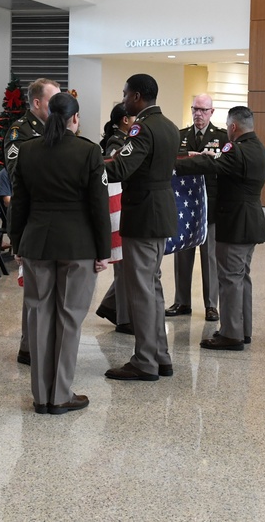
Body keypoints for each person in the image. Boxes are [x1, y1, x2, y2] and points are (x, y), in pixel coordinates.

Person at [10, 93, 111, 414]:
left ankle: (41, 396)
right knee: (69, 319)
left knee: (39, 317)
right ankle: (61, 394)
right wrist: (103, 251)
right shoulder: (89, 151)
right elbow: (99, 206)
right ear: (75, 119)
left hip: (37, 244)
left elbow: (19, 204)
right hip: (78, 246)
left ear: (47, 115)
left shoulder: (27, 150)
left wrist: (17, 245)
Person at [103, 73, 180, 382]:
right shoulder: (170, 126)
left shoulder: (142, 129)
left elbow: (121, 167)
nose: (123, 99)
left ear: (136, 97)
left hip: (143, 216)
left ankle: (145, 360)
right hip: (160, 214)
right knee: (154, 286)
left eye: (125, 94)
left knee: (141, 291)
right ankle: (160, 355)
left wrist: (92, 163)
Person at [174, 106, 265, 351]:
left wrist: (177, 164)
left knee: (229, 279)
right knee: (242, 278)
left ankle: (230, 334)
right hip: (252, 222)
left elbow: (209, 165)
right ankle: (243, 330)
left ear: (233, 127)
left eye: (228, 126)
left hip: (235, 223)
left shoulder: (234, 149)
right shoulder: (259, 148)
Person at [5, 78, 60, 365]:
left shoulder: (56, 129)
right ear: (37, 103)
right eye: (53, 101)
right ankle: (28, 347)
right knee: (34, 287)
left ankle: (39, 341)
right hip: (30, 215)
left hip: (51, 217)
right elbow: (18, 173)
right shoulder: (20, 131)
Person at [167, 94, 227, 322]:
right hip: (184, 207)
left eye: (203, 110)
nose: (198, 114)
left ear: (212, 112)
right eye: (195, 109)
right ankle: (182, 301)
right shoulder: (180, 136)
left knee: (210, 258)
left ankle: (212, 305)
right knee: (182, 256)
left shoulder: (221, 137)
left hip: (209, 208)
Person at [95, 102, 136, 333]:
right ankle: (123, 318)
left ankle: (112, 307)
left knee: (127, 266)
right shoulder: (116, 142)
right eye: (133, 117)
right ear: (125, 120)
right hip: (119, 206)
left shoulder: (127, 139)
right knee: (122, 267)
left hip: (125, 205)